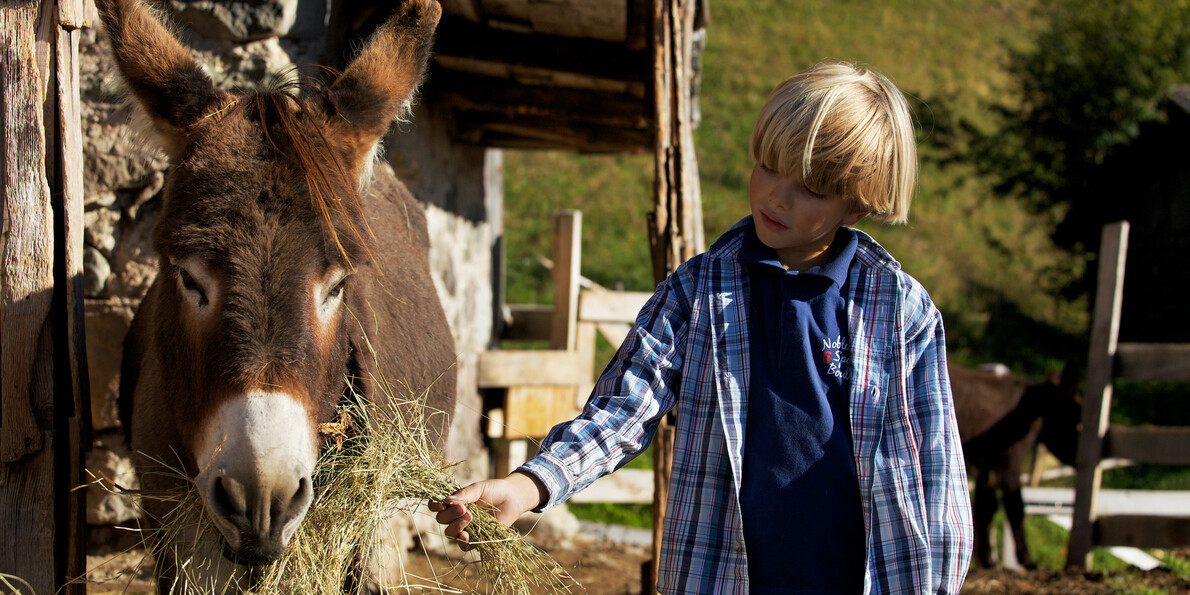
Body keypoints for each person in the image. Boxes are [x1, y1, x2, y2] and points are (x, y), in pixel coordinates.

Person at [429, 60, 973, 594]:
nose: (775, 195)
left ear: (857, 204)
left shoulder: (900, 313)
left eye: (809, 187)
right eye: (767, 165)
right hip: (720, 578)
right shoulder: (698, 294)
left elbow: (935, 478)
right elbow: (622, 411)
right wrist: (529, 485)